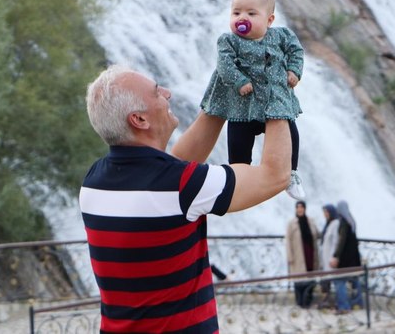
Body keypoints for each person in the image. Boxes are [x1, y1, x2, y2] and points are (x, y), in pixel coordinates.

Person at [80, 64, 291, 333]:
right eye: (157, 92)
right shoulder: (180, 185)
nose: (167, 94)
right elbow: (275, 175)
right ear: (139, 120)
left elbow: (173, 168)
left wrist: (219, 101)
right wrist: (277, 95)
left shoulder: (94, 181)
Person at [200, 0, 306, 200]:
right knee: (238, 143)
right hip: (243, 106)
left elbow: (296, 51)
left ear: (269, 20)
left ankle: (291, 173)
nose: (242, 18)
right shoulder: (229, 41)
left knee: (291, 135)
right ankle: (238, 178)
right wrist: (239, 80)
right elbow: (225, 65)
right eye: (236, 12)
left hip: (274, 103)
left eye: (251, 13)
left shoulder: (282, 36)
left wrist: (294, 70)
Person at [330, 200, 363, 314]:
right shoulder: (351, 221)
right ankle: (358, 302)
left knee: (339, 281)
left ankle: (344, 306)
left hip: (345, 258)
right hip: (354, 258)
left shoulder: (344, 222)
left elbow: (341, 241)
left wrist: (335, 256)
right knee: (355, 280)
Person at [285, 200, 320, 308]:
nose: (300, 209)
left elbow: (317, 234)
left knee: (310, 279)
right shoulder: (292, 223)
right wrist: (290, 257)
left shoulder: (311, 221)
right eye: (298, 207)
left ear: (305, 209)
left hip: (310, 255)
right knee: (299, 280)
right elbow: (287, 241)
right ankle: (300, 302)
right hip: (298, 256)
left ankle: (307, 301)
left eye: (301, 207)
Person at [318, 203, 340, 309]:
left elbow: (336, 241)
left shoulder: (335, 223)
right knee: (327, 281)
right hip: (326, 258)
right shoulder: (329, 223)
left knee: (332, 281)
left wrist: (334, 256)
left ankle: (335, 302)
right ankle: (327, 302)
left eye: (326, 212)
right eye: (324, 212)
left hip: (330, 258)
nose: (325, 214)